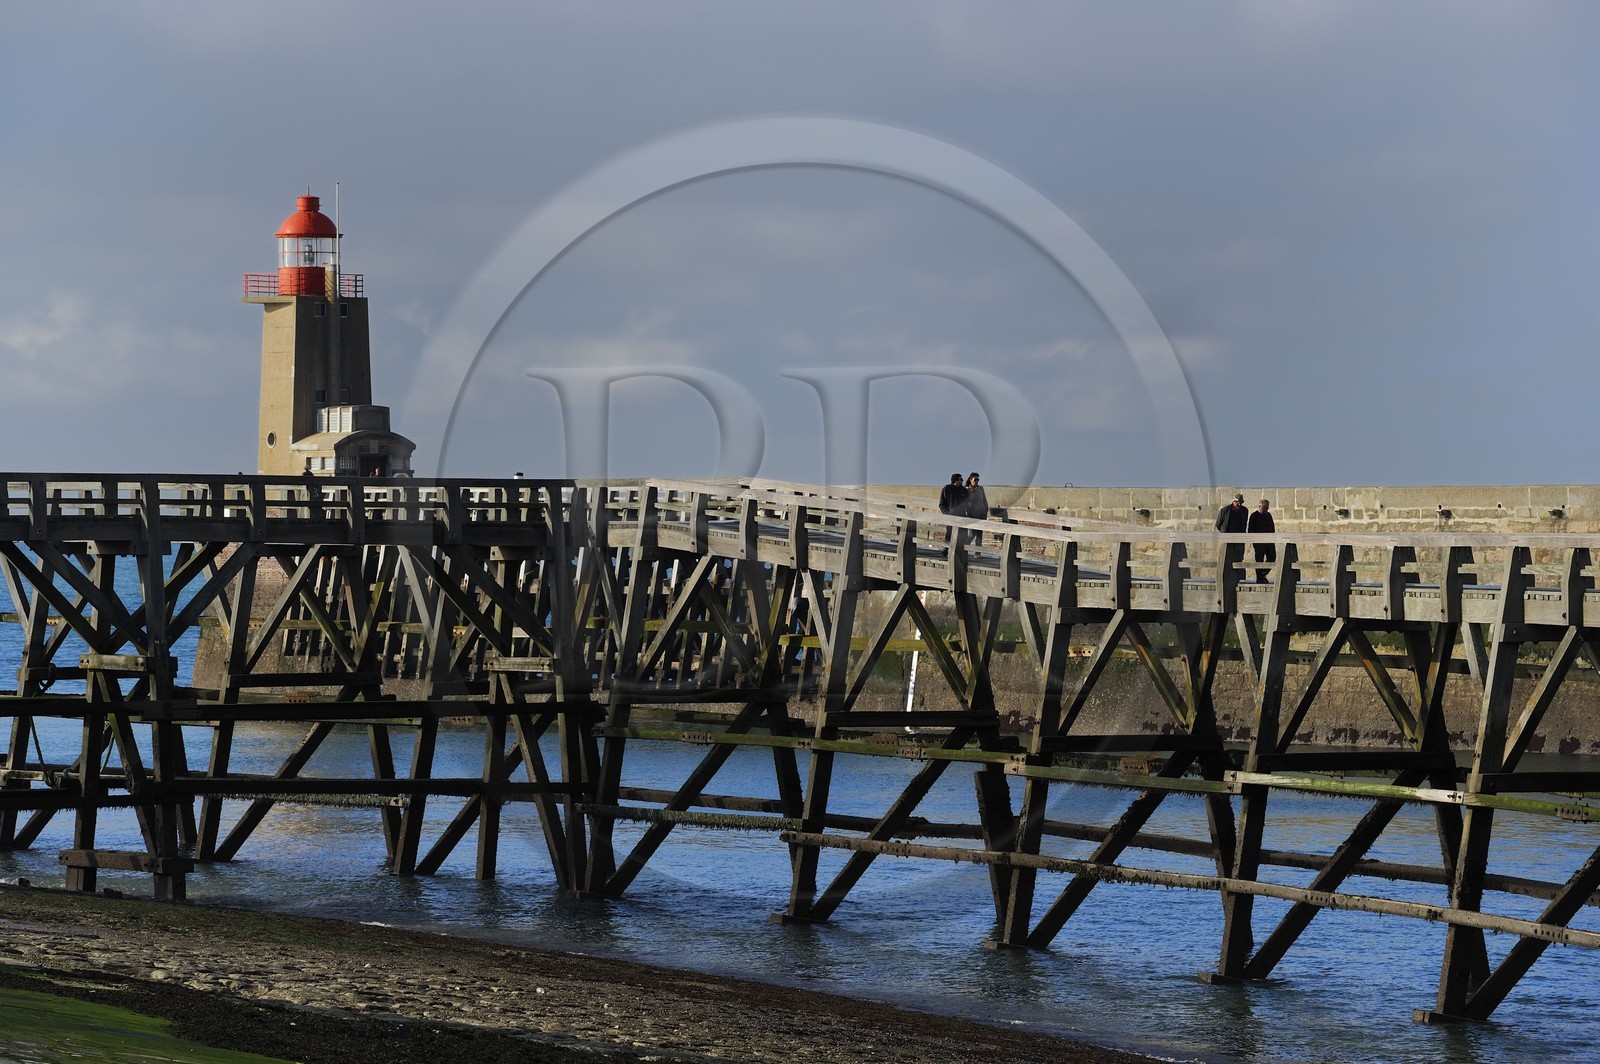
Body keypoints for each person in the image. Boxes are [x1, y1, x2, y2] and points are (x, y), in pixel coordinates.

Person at [1247, 498, 1276, 581]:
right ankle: (1260, 578)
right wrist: (1255, 542)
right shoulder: (1254, 516)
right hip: (1259, 542)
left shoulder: (1268, 515)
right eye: (1265, 508)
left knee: (1272, 558)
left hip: (1269, 542)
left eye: (1267, 508)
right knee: (1259, 560)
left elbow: (1272, 527)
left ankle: (1263, 574)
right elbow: (1251, 530)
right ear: (1260, 506)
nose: (1266, 509)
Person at [964, 472, 989, 545]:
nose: (977, 481)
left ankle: (977, 553)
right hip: (971, 515)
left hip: (980, 515)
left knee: (979, 536)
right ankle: (963, 548)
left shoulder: (980, 489)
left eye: (978, 479)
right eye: (975, 479)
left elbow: (984, 501)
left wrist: (985, 511)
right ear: (971, 479)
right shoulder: (966, 490)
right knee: (971, 534)